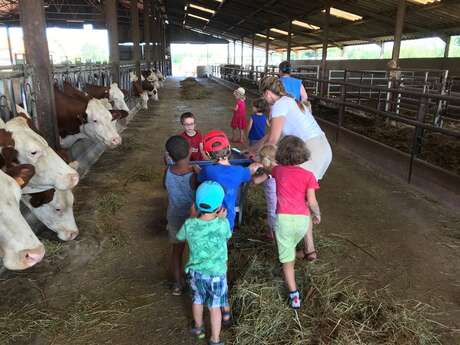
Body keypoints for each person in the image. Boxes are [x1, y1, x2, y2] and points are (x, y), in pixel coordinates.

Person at [257, 75, 332, 261]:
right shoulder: (290, 101)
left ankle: (308, 250)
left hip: (309, 151)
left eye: (263, 95)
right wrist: (251, 149)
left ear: (267, 93)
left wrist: (261, 162)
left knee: (301, 201)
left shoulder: (278, 106)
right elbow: (271, 135)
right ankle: (309, 251)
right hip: (322, 148)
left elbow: (273, 141)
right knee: (304, 199)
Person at [176, 181, 231, 345]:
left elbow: (179, 237)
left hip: (196, 273)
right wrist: (221, 219)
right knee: (215, 307)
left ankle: (198, 328)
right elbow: (227, 235)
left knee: (198, 300)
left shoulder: (190, 224)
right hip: (216, 274)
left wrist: (192, 218)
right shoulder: (222, 224)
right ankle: (215, 339)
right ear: (219, 205)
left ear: (196, 203)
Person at [272, 136, 321, 309]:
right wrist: (317, 215)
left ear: (281, 153)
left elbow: (266, 168)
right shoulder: (309, 175)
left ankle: (294, 296)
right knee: (292, 243)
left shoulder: (278, 171)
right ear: (302, 154)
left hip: (284, 220)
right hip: (301, 220)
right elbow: (312, 201)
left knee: (287, 264)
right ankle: (305, 253)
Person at [199, 130, 261, 231]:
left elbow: (200, 176)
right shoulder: (239, 171)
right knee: (223, 241)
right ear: (229, 148)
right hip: (227, 218)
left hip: (209, 216)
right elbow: (252, 170)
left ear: (208, 154)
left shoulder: (208, 170)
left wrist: (196, 167)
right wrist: (258, 163)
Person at [164, 135, 199, 295]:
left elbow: (164, 186)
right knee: (195, 252)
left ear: (169, 156)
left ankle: (177, 284)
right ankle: (195, 284)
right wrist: (198, 172)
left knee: (176, 252)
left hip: (174, 217)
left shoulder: (167, 171)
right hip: (192, 219)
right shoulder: (193, 175)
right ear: (190, 151)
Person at [258, 144, 277, 241]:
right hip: (280, 198)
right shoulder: (279, 169)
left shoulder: (269, 172)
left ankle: (272, 235)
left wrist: (249, 173)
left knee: (272, 213)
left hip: (272, 200)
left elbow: (256, 181)